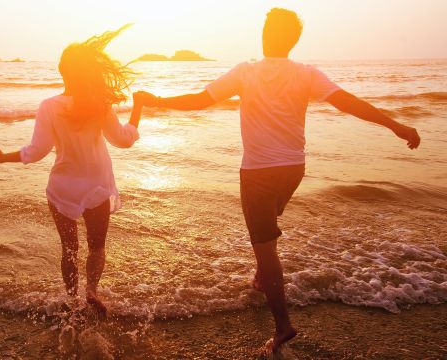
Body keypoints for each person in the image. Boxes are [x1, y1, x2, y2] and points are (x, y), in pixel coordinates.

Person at [138, 8, 420, 353]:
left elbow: (200, 101)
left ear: (265, 34)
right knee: (267, 231)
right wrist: (396, 125)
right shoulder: (306, 74)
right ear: (293, 40)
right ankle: (261, 278)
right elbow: (348, 103)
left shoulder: (246, 72)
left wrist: (158, 101)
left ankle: (283, 326)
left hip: (258, 172)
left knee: (265, 246)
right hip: (293, 170)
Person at [0, 25, 146, 315]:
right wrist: (138, 109)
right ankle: (92, 291)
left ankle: (72, 301)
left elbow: (36, 152)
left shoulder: (49, 106)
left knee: (69, 249)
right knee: (96, 247)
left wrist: (2, 158)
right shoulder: (99, 105)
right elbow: (123, 141)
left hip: (63, 187)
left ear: (62, 70)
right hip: (97, 186)